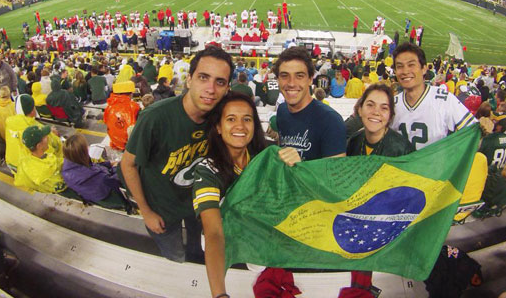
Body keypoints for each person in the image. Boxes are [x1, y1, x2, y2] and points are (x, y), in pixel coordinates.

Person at [119, 46, 233, 263]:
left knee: (197, 246)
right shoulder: (155, 117)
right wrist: (146, 211)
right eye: (203, 77)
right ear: (189, 80)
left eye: (219, 82)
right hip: (161, 207)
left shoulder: (220, 116)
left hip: (196, 200)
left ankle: (194, 257)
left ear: (227, 88)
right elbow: (128, 165)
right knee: (175, 255)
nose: (210, 88)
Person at [192, 92, 267, 298]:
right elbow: (214, 232)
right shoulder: (207, 171)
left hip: (255, 233)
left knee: (257, 266)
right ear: (218, 126)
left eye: (247, 119)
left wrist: (290, 159)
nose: (240, 126)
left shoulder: (265, 155)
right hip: (224, 234)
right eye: (231, 119)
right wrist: (219, 294)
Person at [391, 43, 476, 151]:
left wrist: (483, 128)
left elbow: (474, 135)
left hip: (434, 167)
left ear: (424, 69)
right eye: (400, 66)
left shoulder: (445, 100)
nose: (405, 71)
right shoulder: (392, 104)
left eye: (411, 65)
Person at [273, 47, 346, 165]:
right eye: (284, 75)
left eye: (299, 76)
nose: (291, 83)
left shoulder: (331, 121)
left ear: (310, 79)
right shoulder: (282, 110)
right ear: (278, 80)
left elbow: (335, 178)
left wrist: (302, 166)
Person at [347, 84, 414, 157]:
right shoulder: (353, 142)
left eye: (384, 108)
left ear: (390, 115)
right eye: (370, 105)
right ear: (360, 110)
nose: (376, 112)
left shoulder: (402, 150)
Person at [5, 94, 63, 174]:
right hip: (29, 170)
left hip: (13, 165)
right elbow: (50, 149)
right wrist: (54, 136)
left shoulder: (10, 124)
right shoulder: (34, 128)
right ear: (32, 111)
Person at [62, 134, 124, 205]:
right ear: (83, 153)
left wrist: (109, 164)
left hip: (93, 196)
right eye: (86, 147)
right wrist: (117, 167)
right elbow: (112, 181)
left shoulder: (69, 167)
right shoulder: (92, 175)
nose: (88, 147)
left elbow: (94, 166)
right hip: (107, 196)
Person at [14, 125, 66, 193]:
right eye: (45, 137)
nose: (48, 137)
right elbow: (61, 187)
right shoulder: (47, 173)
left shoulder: (24, 161)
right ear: (39, 146)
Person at [103, 81, 140, 151]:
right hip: (128, 145)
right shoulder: (134, 106)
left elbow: (105, 121)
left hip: (114, 142)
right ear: (130, 94)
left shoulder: (109, 106)